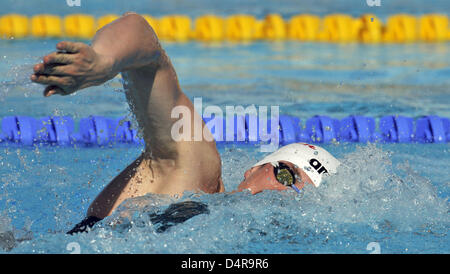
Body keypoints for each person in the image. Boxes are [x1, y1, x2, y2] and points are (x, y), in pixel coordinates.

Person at [30, 13, 340, 234]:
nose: (288, 195)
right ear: (254, 169)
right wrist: (102, 62)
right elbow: (142, 38)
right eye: (286, 175)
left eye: (306, 196)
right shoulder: (195, 176)